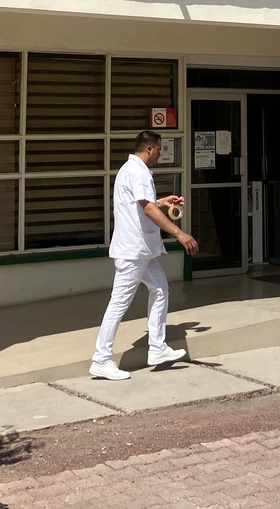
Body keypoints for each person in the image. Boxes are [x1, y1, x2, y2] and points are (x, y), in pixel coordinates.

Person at [90, 130, 199, 380]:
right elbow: (146, 208)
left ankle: (157, 348)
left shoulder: (131, 169)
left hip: (143, 250)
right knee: (119, 304)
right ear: (149, 149)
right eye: (159, 150)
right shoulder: (137, 170)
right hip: (133, 251)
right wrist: (179, 234)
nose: (160, 154)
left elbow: (143, 203)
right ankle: (101, 359)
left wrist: (162, 202)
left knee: (160, 290)